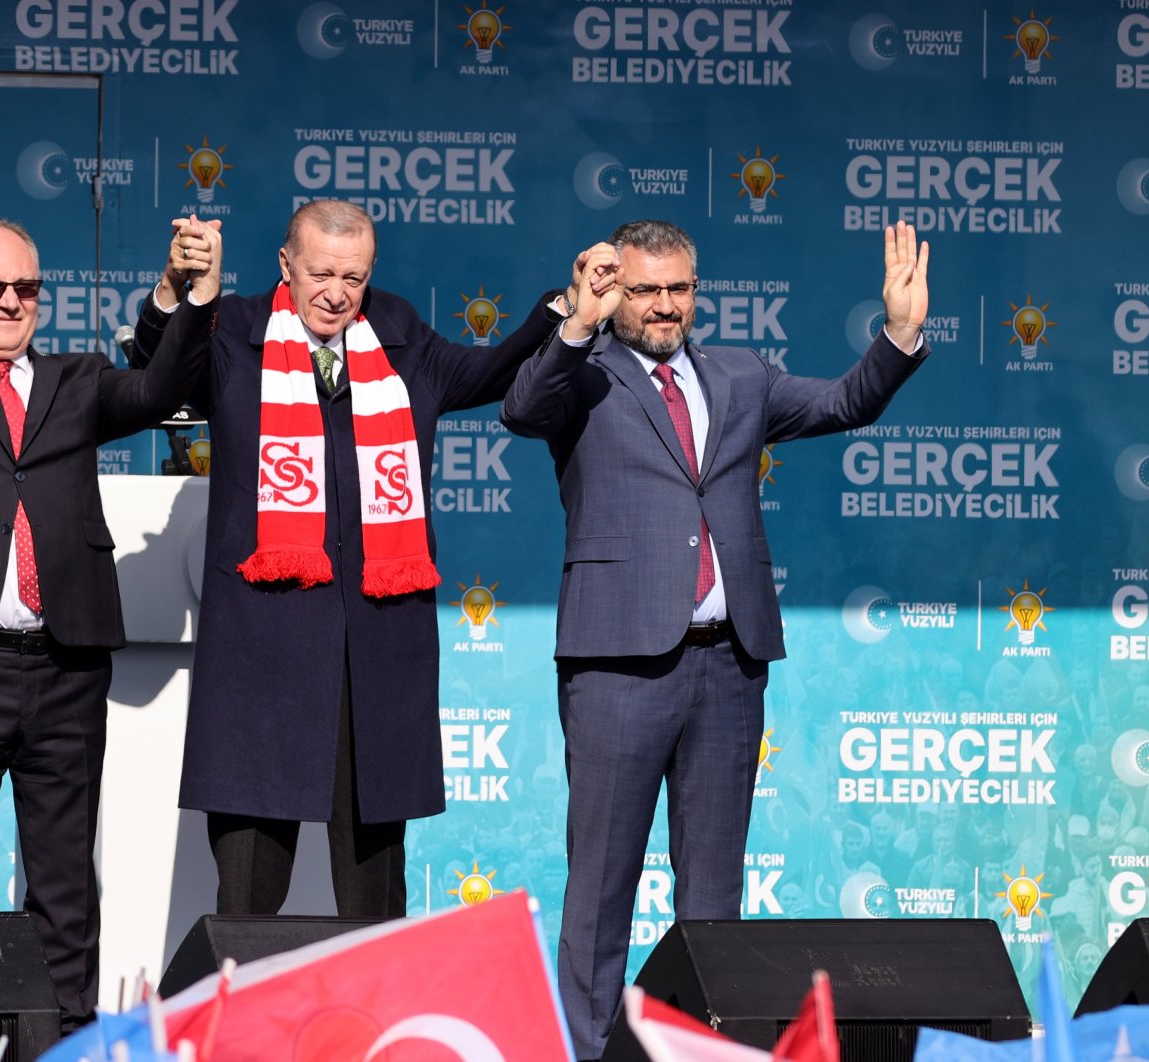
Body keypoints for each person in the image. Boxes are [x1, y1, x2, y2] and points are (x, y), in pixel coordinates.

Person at [501, 218, 931, 1059]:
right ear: (614, 289)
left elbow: (846, 401)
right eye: (646, 289)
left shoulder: (741, 375)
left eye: (680, 289)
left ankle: (698, 1048)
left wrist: (901, 334)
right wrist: (577, 323)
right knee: (600, 887)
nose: (665, 306)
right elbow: (522, 409)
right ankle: (586, 1051)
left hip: (729, 665)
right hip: (618, 663)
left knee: (713, 892)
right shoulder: (580, 375)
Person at [129, 199, 575, 918]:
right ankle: (238, 1031)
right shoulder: (233, 332)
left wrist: (564, 309)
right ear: (285, 265)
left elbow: (492, 371)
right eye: (321, 273)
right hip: (262, 658)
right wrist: (178, 290)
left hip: (372, 660)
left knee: (374, 907)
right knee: (246, 902)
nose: (337, 292)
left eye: (354, 276)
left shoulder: (399, 338)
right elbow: (155, 369)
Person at [0, 191, 219, 1030]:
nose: (12, 302)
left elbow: (164, 385)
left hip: (64, 667)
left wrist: (186, 296)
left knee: (63, 881)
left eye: (28, 288)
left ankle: (62, 1045)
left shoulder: (78, 380)